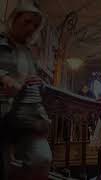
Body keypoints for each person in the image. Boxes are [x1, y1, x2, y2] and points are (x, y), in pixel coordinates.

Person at [0, 2, 52, 180]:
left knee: (41, 158)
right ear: (14, 19)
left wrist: (40, 83)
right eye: (27, 22)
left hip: (27, 114)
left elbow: (35, 80)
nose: (31, 28)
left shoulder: (29, 52)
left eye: (35, 26)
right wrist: (5, 78)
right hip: (4, 110)